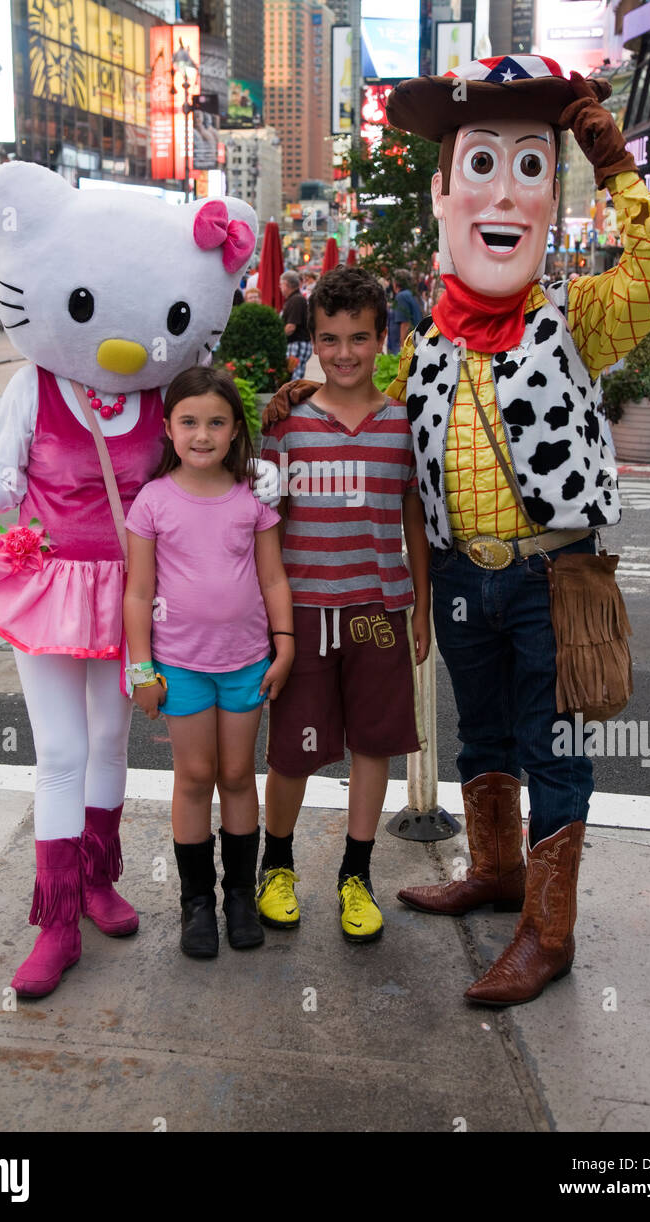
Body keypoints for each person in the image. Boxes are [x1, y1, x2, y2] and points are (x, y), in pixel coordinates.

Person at [0, 165, 276, 999]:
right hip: (43, 584)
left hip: (126, 595)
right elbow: (3, 484)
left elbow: (192, 479)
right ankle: (55, 918)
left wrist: (269, 479)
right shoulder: (31, 386)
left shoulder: (162, 397)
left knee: (112, 742)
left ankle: (100, 879)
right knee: (63, 752)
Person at [377, 54, 650, 1006]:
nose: (502, 192)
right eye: (480, 165)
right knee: (484, 741)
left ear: (553, 194)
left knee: (554, 749)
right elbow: (379, 422)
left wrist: (619, 167)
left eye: (530, 166)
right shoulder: (427, 344)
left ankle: (549, 934)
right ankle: (498, 874)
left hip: (553, 581)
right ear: (442, 193)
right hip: (465, 580)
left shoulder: (577, 316)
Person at [258, 265, 431, 943]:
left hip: (379, 611)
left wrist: (419, 601)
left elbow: (413, 515)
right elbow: (265, 524)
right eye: (330, 339)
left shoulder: (403, 425)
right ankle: (277, 865)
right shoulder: (288, 423)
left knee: (373, 745)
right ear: (313, 340)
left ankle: (356, 876)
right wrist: (271, 621)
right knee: (293, 752)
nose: (345, 353)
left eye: (359, 337)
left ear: (383, 336)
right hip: (302, 613)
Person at [124, 367, 293, 959]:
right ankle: (196, 904)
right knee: (194, 777)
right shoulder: (152, 501)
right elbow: (138, 593)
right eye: (189, 422)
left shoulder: (253, 498)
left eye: (216, 422)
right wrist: (140, 670)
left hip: (246, 662)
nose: (202, 434)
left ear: (234, 430)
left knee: (238, 776)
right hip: (179, 666)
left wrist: (286, 641)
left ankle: (239, 897)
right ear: (168, 428)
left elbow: (272, 576)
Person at [280, 270, 312, 380]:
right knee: (294, 377)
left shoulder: (296, 300)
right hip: (298, 343)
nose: (280, 287)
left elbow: (291, 327)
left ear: (286, 284)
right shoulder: (295, 299)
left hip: (297, 343)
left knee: (294, 379)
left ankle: (293, 398)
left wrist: (277, 338)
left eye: (281, 284)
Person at [386, 268, 424, 352]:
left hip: (403, 347)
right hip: (416, 342)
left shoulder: (401, 296)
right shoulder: (412, 294)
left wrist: (402, 346)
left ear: (395, 283)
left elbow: (404, 323)